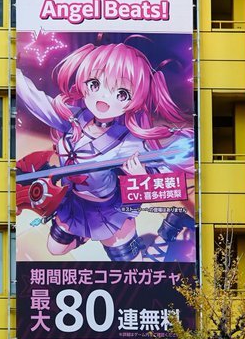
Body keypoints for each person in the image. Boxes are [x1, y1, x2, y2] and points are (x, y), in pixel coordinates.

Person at [16, 39, 194, 261]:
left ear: (134, 100)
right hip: (74, 202)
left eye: (121, 93)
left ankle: (168, 229)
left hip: (108, 209)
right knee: (55, 248)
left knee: (133, 265)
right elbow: (36, 102)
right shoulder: (74, 118)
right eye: (94, 84)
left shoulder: (129, 140)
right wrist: (15, 74)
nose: (103, 98)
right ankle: (85, 234)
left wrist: (142, 177)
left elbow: (166, 173)